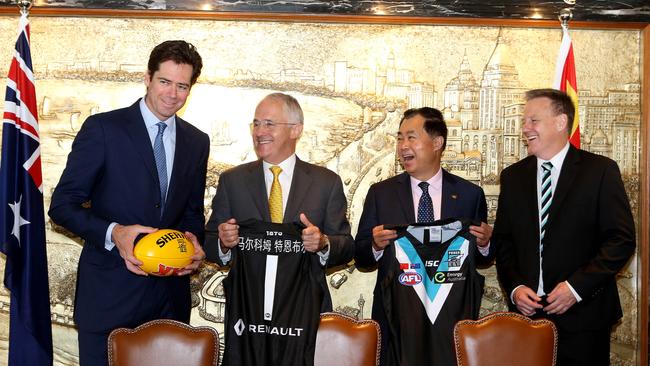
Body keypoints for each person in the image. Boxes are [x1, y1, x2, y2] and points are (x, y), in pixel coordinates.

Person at [48, 40, 209, 366]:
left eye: (182, 86)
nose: (172, 94)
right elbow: (62, 205)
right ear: (147, 78)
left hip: (170, 302)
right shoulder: (104, 129)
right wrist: (114, 233)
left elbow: (191, 212)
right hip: (108, 298)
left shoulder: (197, 141)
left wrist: (195, 242)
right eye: (165, 82)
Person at [205, 92, 354, 365]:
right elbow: (209, 241)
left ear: (296, 129)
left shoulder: (326, 183)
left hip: (304, 315)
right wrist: (223, 243)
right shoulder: (232, 181)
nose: (260, 132)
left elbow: (346, 244)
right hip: (247, 318)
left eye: (269, 124)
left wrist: (323, 243)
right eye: (256, 124)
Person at [494, 88, 636, 365]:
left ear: (561, 122)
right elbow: (504, 241)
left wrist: (575, 288)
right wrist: (515, 287)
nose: (525, 128)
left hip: (585, 319)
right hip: (527, 319)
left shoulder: (600, 171)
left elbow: (621, 239)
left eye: (533, 120)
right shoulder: (513, 177)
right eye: (524, 121)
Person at [354, 107, 493, 365]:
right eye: (399, 138)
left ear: (437, 143)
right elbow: (361, 257)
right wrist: (373, 244)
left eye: (411, 137)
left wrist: (485, 244)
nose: (402, 146)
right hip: (397, 320)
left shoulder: (469, 194)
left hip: (450, 320)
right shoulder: (381, 194)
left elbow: (482, 260)